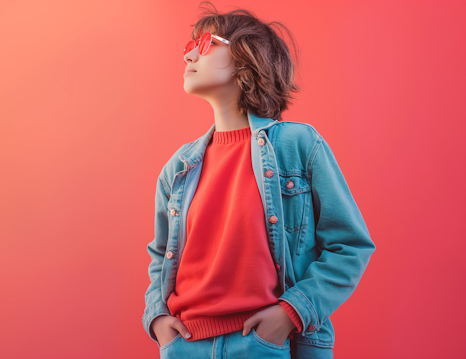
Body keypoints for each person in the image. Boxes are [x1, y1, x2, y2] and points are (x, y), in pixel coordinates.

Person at [142, 2, 376, 358]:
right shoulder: (179, 167)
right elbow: (161, 254)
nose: (189, 56)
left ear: (246, 57)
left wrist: (292, 312)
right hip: (185, 344)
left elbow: (350, 245)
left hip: (266, 342)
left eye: (205, 44)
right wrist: (157, 317)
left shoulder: (299, 145)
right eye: (188, 48)